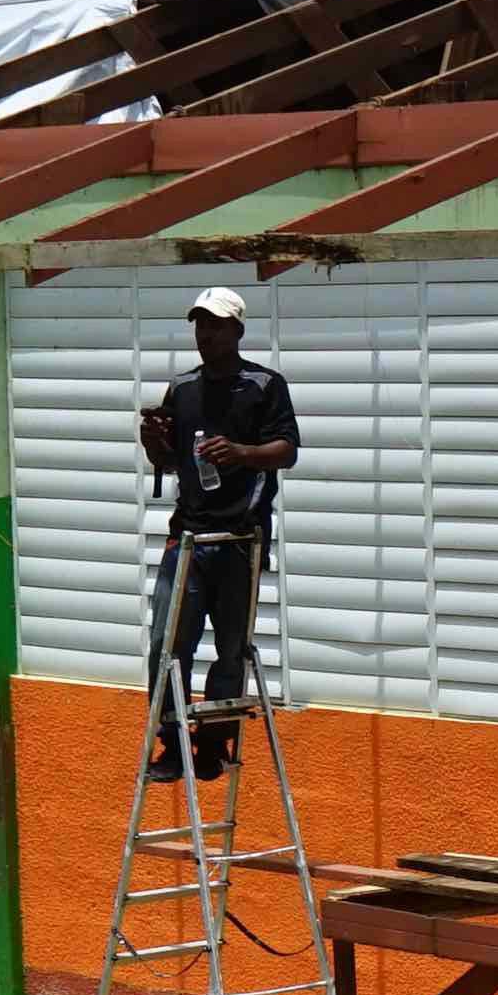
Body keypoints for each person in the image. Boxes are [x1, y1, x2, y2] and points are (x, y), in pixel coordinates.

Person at [133, 286, 299, 779]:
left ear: (237, 330)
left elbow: (287, 450)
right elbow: (168, 461)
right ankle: (171, 743)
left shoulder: (264, 384)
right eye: (200, 325)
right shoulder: (182, 388)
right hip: (187, 535)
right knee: (168, 641)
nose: (206, 335)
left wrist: (243, 453)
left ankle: (212, 744)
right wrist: (153, 443)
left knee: (231, 647)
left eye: (215, 325)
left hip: (241, 538)